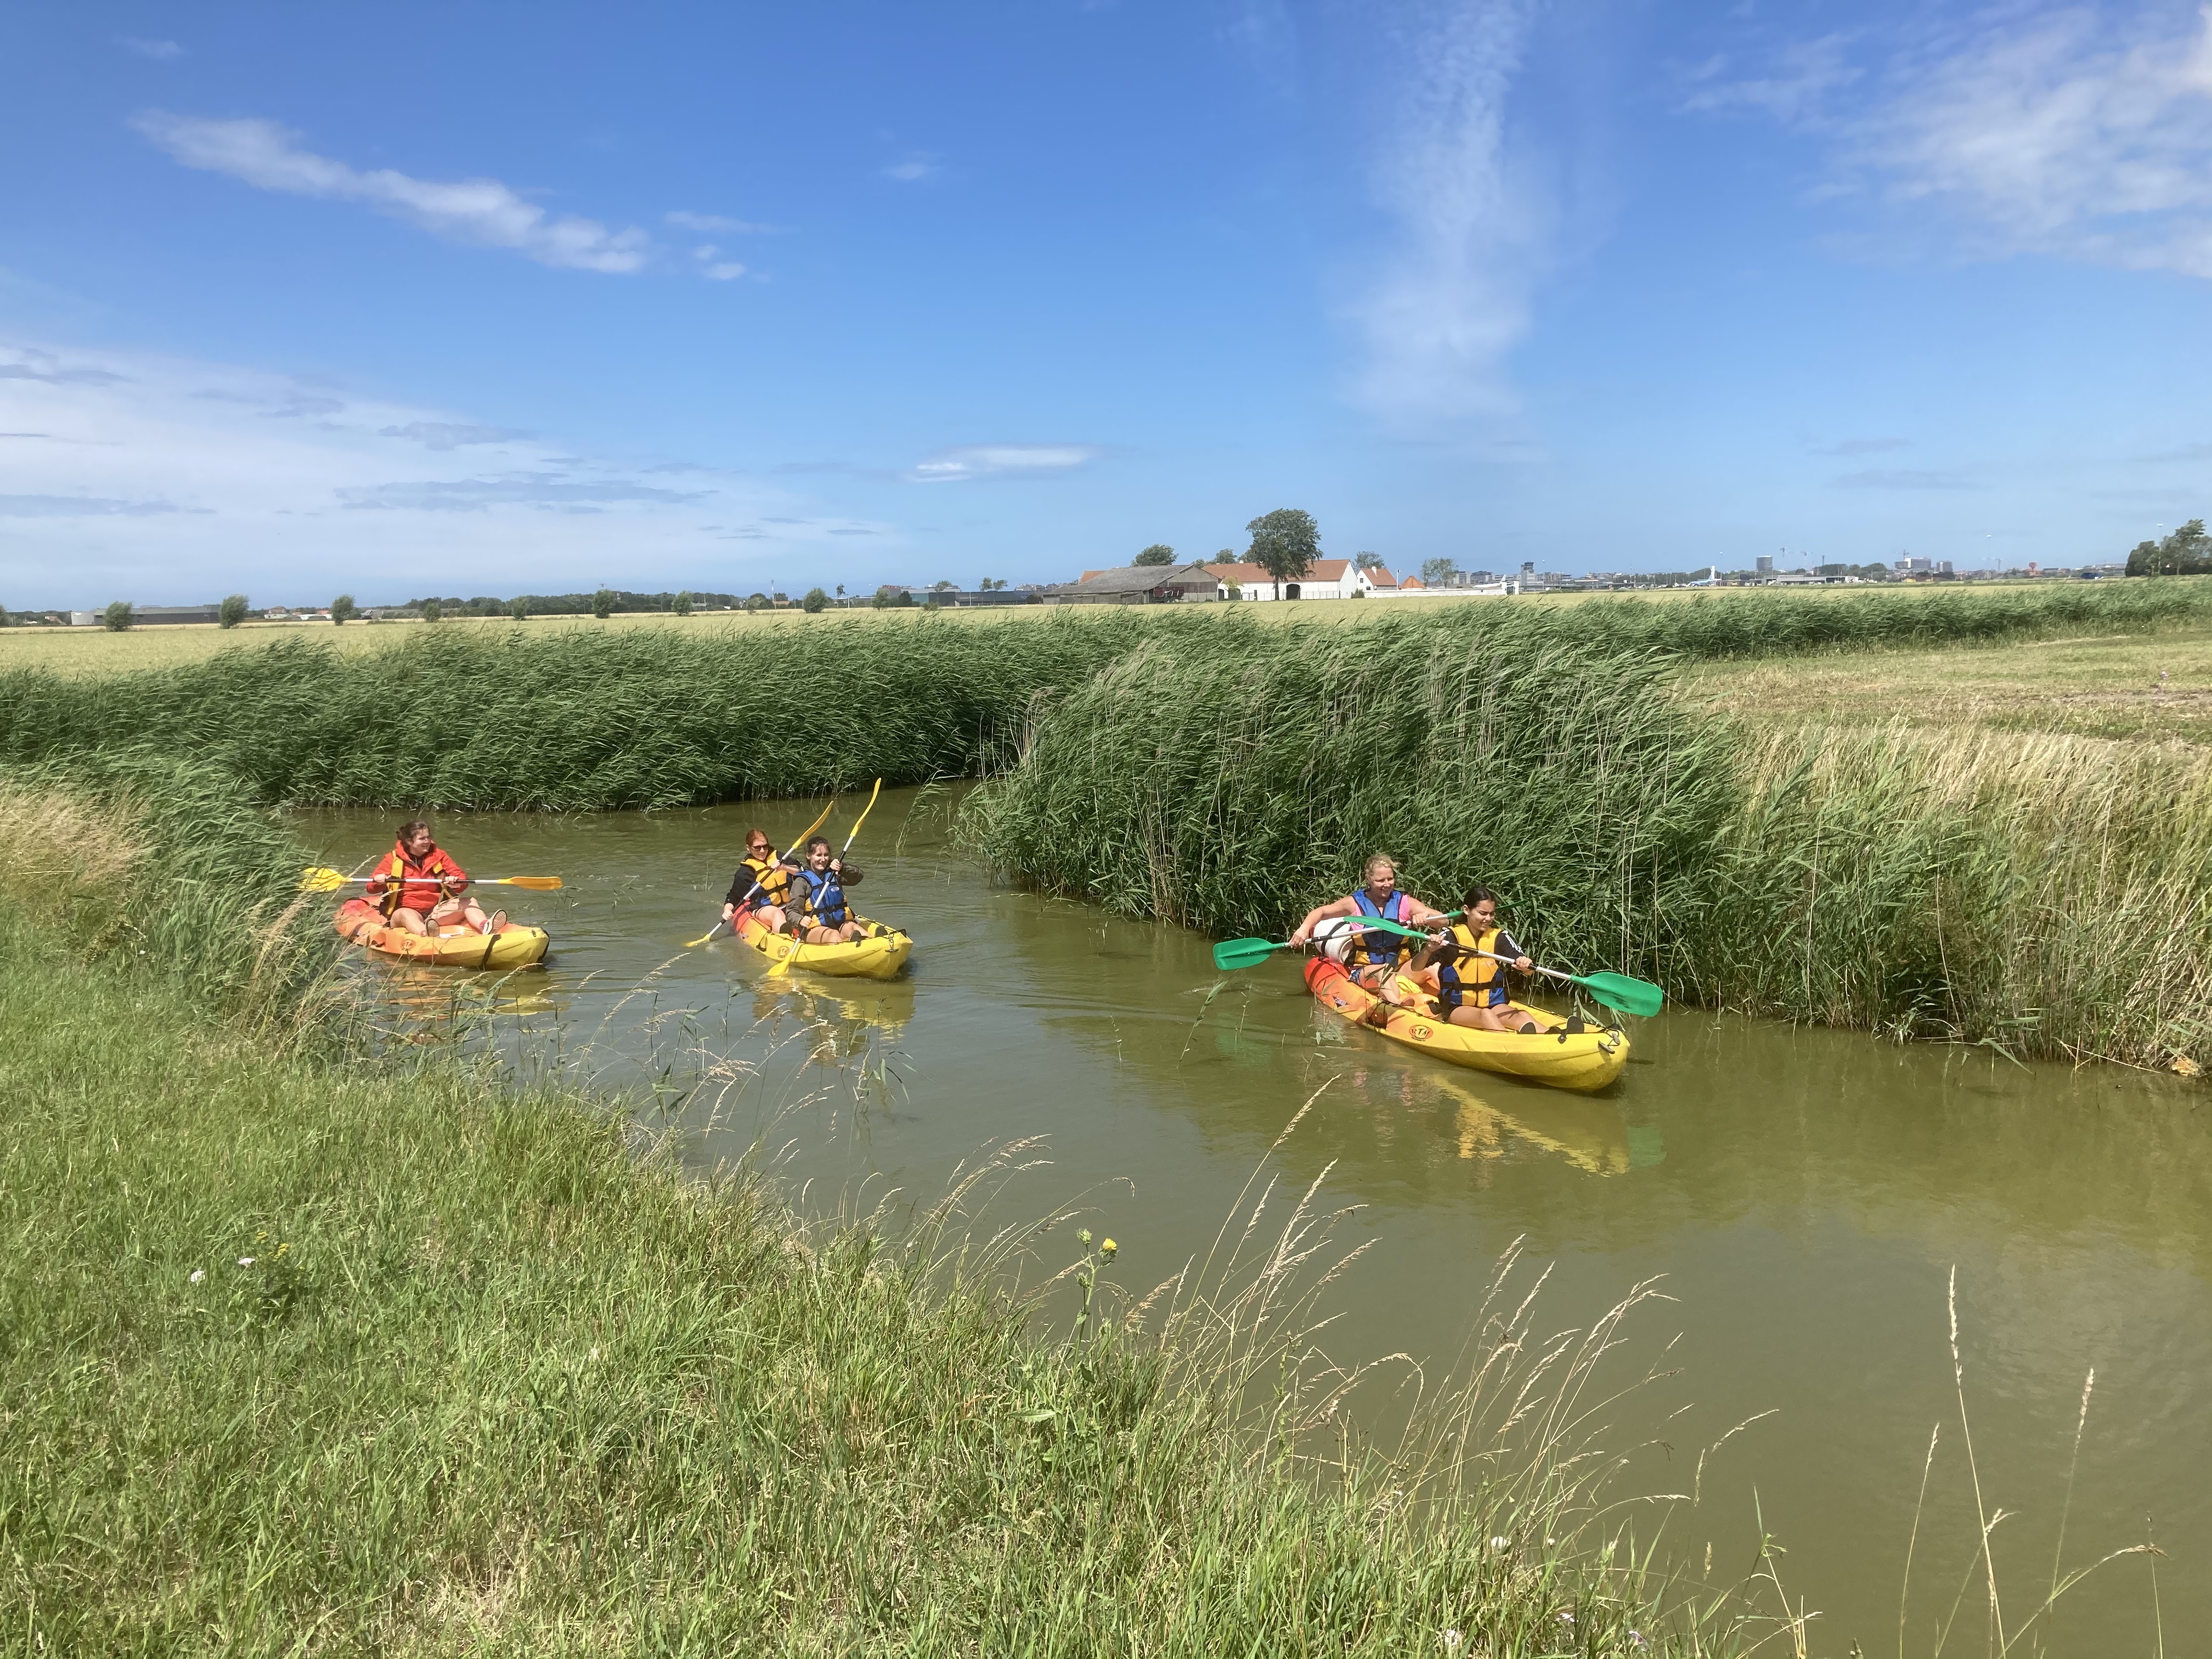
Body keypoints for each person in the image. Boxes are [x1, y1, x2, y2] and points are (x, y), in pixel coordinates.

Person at [1287, 854, 1448, 1014]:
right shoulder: (1354, 904)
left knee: (1434, 967)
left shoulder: (1404, 902)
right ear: (1369, 879)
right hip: (1366, 970)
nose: (1387, 884)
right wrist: (1303, 929)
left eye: (1390, 879)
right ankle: (1399, 1007)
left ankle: (1451, 1002)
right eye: (1380, 881)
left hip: (1400, 967)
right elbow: (1321, 912)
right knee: (1383, 971)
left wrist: (1426, 917)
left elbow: (1443, 921)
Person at [1413, 887, 1539, 1033]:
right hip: (1457, 1008)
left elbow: (1528, 972)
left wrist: (1525, 965)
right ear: (1467, 910)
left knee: (1522, 1016)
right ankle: (1511, 1043)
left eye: (1492, 914)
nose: (1488, 919)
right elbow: (1416, 968)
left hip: (1494, 1004)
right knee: (1485, 1015)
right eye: (1483, 913)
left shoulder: (1499, 937)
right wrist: (1429, 950)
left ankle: (1553, 1036)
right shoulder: (1450, 937)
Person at [365, 820, 503, 936]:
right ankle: (425, 934)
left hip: (436, 912)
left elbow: (461, 879)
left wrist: (455, 882)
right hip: (405, 912)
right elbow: (371, 888)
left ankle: (485, 926)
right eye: (422, 839)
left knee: (470, 901)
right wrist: (380, 881)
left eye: (428, 837)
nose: (427, 842)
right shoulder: (392, 859)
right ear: (409, 841)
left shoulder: (439, 855)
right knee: (406, 914)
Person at [784, 834, 868, 944]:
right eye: (819, 855)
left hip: (841, 924)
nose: (823, 859)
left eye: (826, 855)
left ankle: (871, 945)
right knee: (833, 935)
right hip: (814, 929)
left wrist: (843, 868)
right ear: (809, 856)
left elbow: (858, 877)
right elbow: (791, 912)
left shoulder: (834, 873)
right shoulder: (802, 881)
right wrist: (800, 920)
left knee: (853, 927)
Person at [723, 828, 795, 933]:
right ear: (748, 848)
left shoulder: (781, 858)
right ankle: (785, 937)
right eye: (757, 848)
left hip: (790, 904)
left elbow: (802, 872)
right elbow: (734, 897)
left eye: (765, 847)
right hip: (765, 908)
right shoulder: (746, 872)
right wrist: (727, 911)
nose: (762, 851)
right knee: (776, 913)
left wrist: (784, 867)